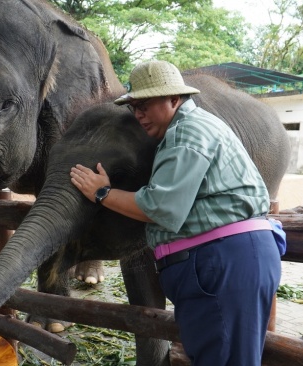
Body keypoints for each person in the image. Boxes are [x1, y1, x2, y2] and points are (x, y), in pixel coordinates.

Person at [70, 60, 282, 365]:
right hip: (225, 264)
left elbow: (163, 208)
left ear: (174, 98)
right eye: (133, 107)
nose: (138, 114)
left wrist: (102, 193)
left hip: (223, 264)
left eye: (145, 104)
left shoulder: (188, 132)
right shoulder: (186, 130)